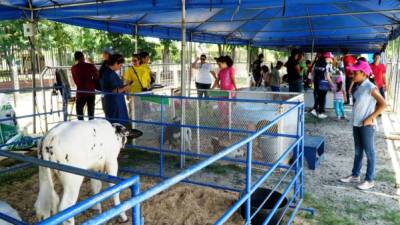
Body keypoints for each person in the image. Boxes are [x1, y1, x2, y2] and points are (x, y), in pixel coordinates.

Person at [340, 60, 386, 190]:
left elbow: (383, 104)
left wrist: (370, 118)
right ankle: (355, 175)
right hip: (357, 123)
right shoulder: (360, 86)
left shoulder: (370, 87)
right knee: (358, 151)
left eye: (355, 72)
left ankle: (369, 179)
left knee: (370, 152)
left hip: (366, 126)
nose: (352, 73)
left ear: (364, 73)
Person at [100, 54, 131, 125]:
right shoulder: (109, 74)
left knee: (115, 123)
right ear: (116, 63)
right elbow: (114, 91)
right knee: (117, 124)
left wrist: (124, 86)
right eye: (120, 65)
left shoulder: (109, 72)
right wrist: (125, 87)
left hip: (114, 101)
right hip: (115, 102)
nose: (120, 67)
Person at [71, 51, 99, 120]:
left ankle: (81, 127)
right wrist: (92, 82)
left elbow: (75, 81)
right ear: (83, 57)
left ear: (75, 59)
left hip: (80, 92)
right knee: (91, 113)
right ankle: (92, 128)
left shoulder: (73, 68)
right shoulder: (90, 66)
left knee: (79, 112)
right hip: (90, 91)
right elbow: (97, 76)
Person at [310, 52, 334, 119]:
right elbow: (328, 77)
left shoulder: (316, 63)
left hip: (316, 82)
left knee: (318, 97)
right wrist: (333, 85)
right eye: (330, 57)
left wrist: (312, 81)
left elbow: (312, 73)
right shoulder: (327, 65)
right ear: (327, 57)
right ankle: (320, 113)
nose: (331, 59)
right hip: (323, 83)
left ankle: (314, 109)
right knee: (322, 98)